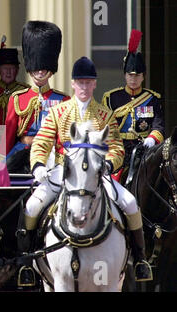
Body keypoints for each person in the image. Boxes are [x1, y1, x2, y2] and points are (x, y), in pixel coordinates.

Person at [21, 56, 152, 284]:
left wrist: (109, 164)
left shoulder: (104, 114)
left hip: (97, 173)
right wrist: (39, 165)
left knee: (130, 202)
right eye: (79, 82)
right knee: (32, 206)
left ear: (94, 84)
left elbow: (116, 147)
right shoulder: (57, 112)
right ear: (73, 84)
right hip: (63, 171)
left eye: (88, 82)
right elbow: (42, 142)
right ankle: (27, 262)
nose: (83, 87)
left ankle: (140, 259)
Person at [4, 21, 70, 173]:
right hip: (22, 152)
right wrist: (2, 162)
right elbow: (7, 134)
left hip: (51, 153)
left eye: (44, 68)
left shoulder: (63, 100)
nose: (40, 72)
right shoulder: (17, 98)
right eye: (37, 68)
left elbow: (63, 137)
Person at [102, 29, 164, 182]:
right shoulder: (112, 98)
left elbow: (159, 127)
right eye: (130, 75)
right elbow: (105, 127)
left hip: (143, 151)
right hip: (118, 150)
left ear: (143, 76)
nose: (133, 79)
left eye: (137, 75)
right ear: (124, 75)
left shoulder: (152, 99)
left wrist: (151, 139)